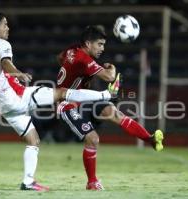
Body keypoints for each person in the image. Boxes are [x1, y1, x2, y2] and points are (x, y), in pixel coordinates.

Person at [0, 12, 119, 191]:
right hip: (17, 96)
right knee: (62, 93)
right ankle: (106, 95)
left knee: (33, 140)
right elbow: (5, 63)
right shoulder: (2, 43)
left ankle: (28, 182)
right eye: (5, 24)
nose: (8, 28)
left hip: (3, 104)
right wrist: (17, 72)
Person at [56, 25, 164, 190]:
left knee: (115, 113)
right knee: (93, 139)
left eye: (103, 44)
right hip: (66, 103)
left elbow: (60, 57)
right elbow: (109, 77)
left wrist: (75, 73)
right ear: (87, 43)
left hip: (83, 98)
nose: (102, 48)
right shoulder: (83, 59)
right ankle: (92, 182)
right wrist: (112, 68)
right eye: (99, 44)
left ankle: (149, 139)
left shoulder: (72, 50)